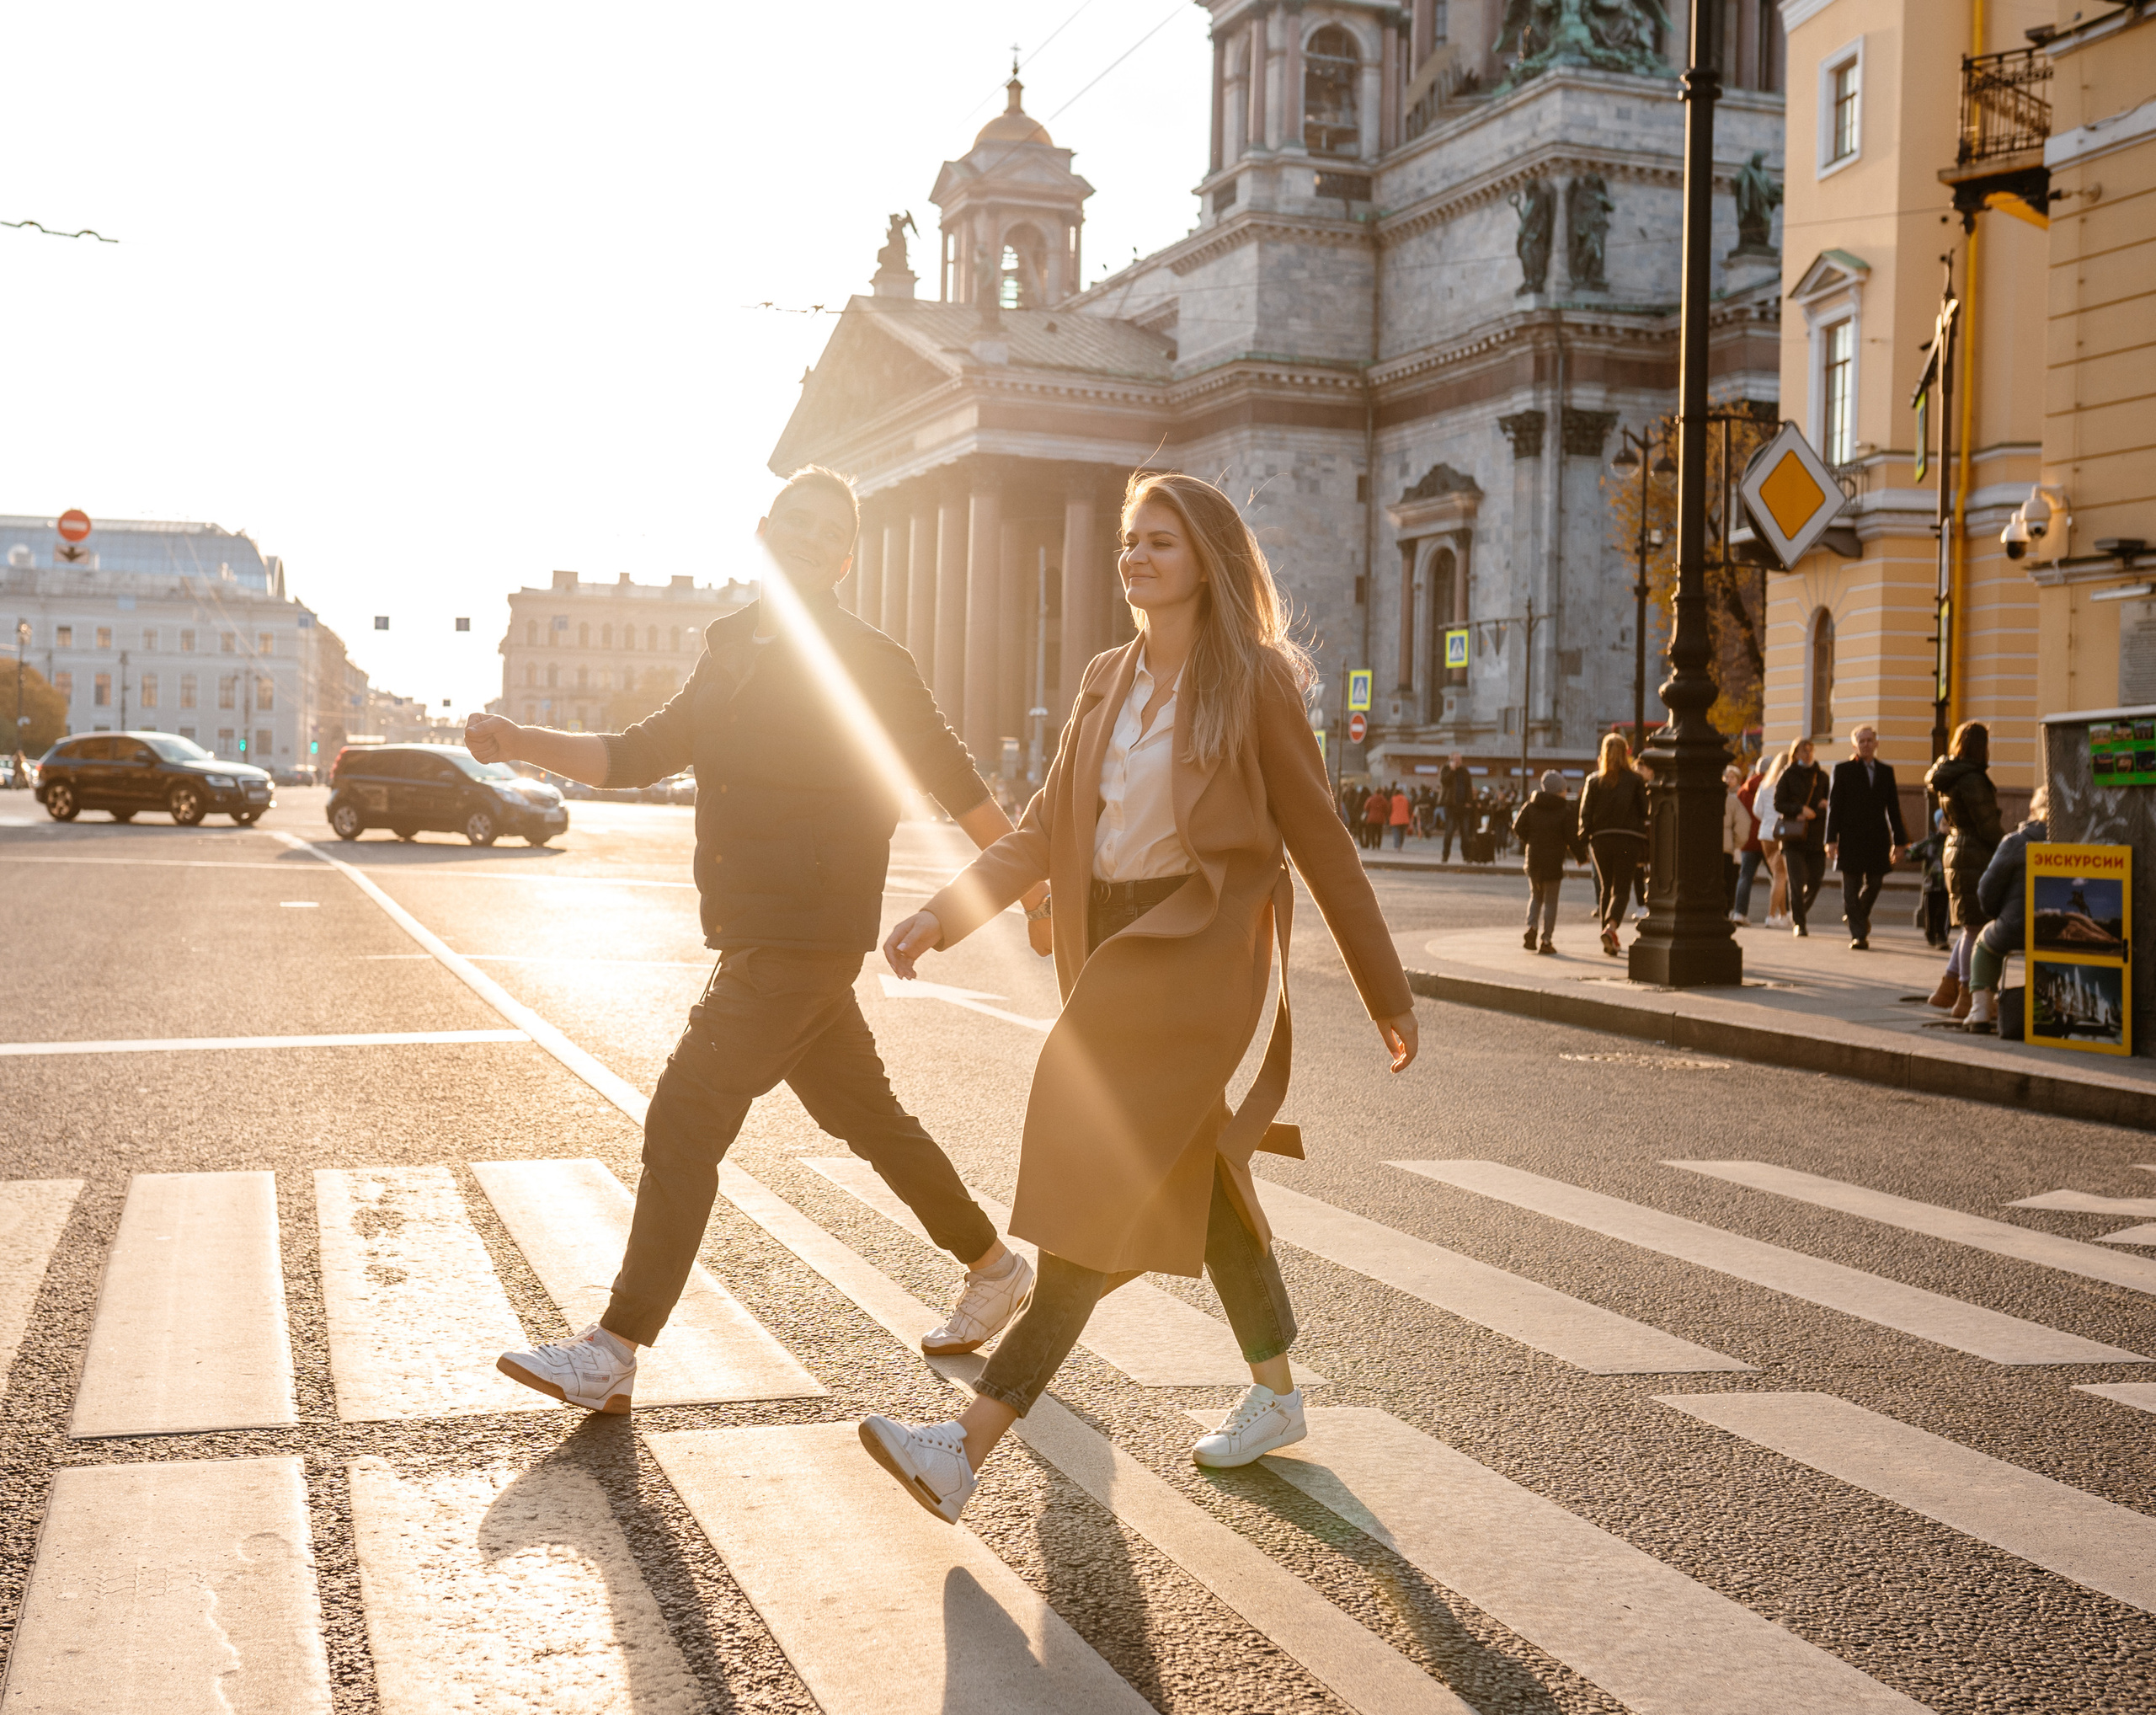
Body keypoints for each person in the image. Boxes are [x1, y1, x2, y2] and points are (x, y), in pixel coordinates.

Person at [858, 471, 1417, 1522]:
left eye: (1159, 540)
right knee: (1193, 1170)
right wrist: (943, 913)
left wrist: (1384, 989)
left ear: (1206, 558)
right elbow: (1043, 825)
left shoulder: (1253, 680)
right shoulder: (1105, 677)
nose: (1136, 557)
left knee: (1092, 1195)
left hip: (1190, 953)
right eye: (1129, 540)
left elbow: (1320, 839)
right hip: (1109, 946)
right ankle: (1277, 1395)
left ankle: (964, 1445)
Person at [463, 467, 1049, 1414]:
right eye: (799, 522)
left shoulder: (869, 660)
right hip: (757, 932)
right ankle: (993, 1265)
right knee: (870, 1119)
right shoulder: (730, 649)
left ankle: (615, 1347)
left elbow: (953, 777)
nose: (812, 539)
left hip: (802, 935)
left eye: (832, 532)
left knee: (684, 1115)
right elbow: (637, 753)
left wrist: (1035, 885)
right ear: (766, 530)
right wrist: (522, 739)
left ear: (847, 560)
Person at [1924, 721, 2004, 1020]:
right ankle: (1968, 997)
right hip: (1974, 854)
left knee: (1969, 925)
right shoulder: (1972, 778)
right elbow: (1987, 825)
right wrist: (2007, 846)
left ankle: (1947, 989)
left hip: (1956, 850)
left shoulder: (1951, 774)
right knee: (1975, 927)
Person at [1965, 785, 2047, 1033]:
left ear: (2032, 808)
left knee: (1985, 944)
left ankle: (1980, 1011)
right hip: (2064, 927)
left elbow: (1986, 890)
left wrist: (1997, 915)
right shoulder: (2078, 839)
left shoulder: (2016, 842)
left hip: (2016, 927)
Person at [1823, 724, 1908, 950]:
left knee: (1876, 882)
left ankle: (1857, 915)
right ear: (1855, 745)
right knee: (1850, 890)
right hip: (1850, 839)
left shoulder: (1885, 772)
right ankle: (1859, 935)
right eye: (1861, 741)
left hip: (1877, 839)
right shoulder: (1843, 770)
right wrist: (1830, 840)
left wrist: (1899, 842)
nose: (1866, 745)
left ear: (1876, 743)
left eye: (1870, 740)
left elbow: (1894, 809)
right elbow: (1834, 808)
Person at [1578, 733, 1648, 958]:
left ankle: (1607, 936)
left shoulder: (1594, 781)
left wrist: (1584, 839)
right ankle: (1611, 928)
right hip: (1628, 838)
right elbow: (1644, 810)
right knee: (1621, 889)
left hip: (1601, 840)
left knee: (1605, 887)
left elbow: (1585, 814)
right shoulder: (1636, 780)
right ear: (1626, 753)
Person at [1513, 769, 1583, 954]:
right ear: (1559, 790)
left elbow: (1517, 827)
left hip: (1534, 858)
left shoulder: (1531, 804)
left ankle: (1531, 927)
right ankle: (1546, 940)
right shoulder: (1564, 809)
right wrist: (1581, 857)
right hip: (1553, 860)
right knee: (1551, 901)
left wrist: (1530, 840)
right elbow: (1572, 838)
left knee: (1536, 896)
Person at [1772, 736, 1830, 937]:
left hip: (1816, 837)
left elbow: (1828, 804)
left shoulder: (1821, 776)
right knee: (1797, 882)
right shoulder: (1788, 775)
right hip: (1793, 838)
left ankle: (1799, 911)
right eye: (1804, 750)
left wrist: (1818, 809)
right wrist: (1799, 809)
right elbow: (1778, 803)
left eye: (1810, 750)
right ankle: (1800, 924)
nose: (1808, 754)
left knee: (1816, 879)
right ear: (1795, 753)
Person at [1753, 750, 1792, 927]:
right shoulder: (1788, 783)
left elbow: (1757, 810)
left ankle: (1783, 915)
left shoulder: (1765, 783)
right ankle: (1770, 915)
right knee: (1780, 876)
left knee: (1778, 875)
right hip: (1782, 832)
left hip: (1765, 834)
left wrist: (1767, 820)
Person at [1732, 761, 1766, 923]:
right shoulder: (1770, 786)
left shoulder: (1744, 790)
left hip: (1748, 839)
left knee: (1745, 876)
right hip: (1766, 837)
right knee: (1778, 876)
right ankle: (1784, 912)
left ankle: (1739, 912)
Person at [1721, 764, 1750, 917]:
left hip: (1710, 849)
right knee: (1727, 883)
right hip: (1727, 848)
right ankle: (1725, 912)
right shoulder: (1731, 800)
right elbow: (1743, 824)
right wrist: (1736, 844)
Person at [1438, 752, 1472, 860]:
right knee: (1449, 832)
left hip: (1463, 806)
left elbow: (1469, 787)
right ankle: (1445, 855)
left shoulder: (1465, 771)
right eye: (1456, 759)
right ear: (1451, 760)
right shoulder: (1446, 769)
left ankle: (1466, 856)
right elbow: (1444, 781)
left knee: (1465, 833)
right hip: (1451, 806)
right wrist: (1452, 770)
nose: (1458, 761)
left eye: (1459, 759)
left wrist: (1469, 801)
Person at [1362, 783, 1389, 850]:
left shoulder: (1371, 798)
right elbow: (1386, 809)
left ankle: (1373, 845)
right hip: (1380, 818)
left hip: (1372, 818)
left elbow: (1366, 807)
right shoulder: (1384, 799)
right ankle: (1378, 845)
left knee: (1372, 832)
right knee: (1379, 832)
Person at [1388, 782, 1412, 849]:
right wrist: (1409, 817)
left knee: (1396, 833)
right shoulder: (1406, 799)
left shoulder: (1392, 799)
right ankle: (1400, 845)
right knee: (1402, 833)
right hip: (1404, 819)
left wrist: (1389, 816)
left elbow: (1389, 809)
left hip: (1394, 819)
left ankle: (1397, 845)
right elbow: (1410, 809)